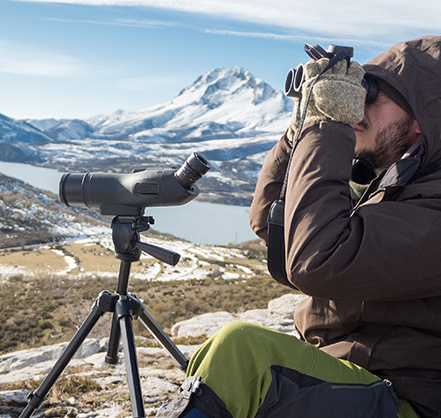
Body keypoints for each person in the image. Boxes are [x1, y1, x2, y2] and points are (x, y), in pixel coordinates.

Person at [158, 36, 441, 418]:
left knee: (241, 351)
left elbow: (317, 260)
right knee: (223, 364)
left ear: (427, 114)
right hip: (354, 376)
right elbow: (272, 224)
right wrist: (302, 129)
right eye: (354, 93)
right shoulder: (394, 181)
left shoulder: (431, 200)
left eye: (370, 95)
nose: (358, 106)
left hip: (405, 402)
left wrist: (330, 124)